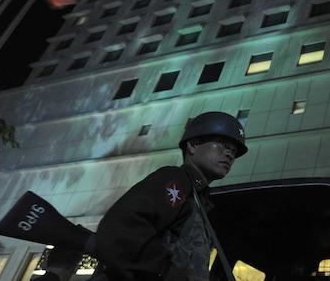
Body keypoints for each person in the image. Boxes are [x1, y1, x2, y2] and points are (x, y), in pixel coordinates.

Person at [87, 111, 248, 281]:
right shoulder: (177, 180)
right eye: (222, 144)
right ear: (192, 145)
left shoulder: (199, 200)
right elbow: (123, 226)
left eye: (234, 151)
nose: (230, 154)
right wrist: (166, 271)